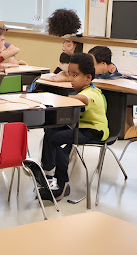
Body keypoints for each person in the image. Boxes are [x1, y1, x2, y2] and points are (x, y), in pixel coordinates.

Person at [40, 53, 109, 200]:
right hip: (81, 128)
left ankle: (61, 183)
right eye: (70, 75)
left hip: (94, 132)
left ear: (88, 78)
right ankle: (48, 172)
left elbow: (84, 99)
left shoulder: (91, 93)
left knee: (55, 139)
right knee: (51, 131)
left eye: (75, 75)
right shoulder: (84, 89)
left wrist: (62, 98)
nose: (70, 79)